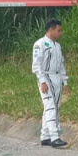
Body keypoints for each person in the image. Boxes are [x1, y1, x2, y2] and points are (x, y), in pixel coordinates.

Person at [31, 19, 69, 148]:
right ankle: (54, 137)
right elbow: (36, 65)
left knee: (53, 107)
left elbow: (61, 64)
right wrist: (42, 81)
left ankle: (45, 136)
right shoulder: (40, 44)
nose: (60, 33)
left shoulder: (57, 46)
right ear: (51, 29)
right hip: (46, 77)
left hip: (56, 77)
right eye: (58, 30)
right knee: (50, 106)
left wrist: (65, 82)